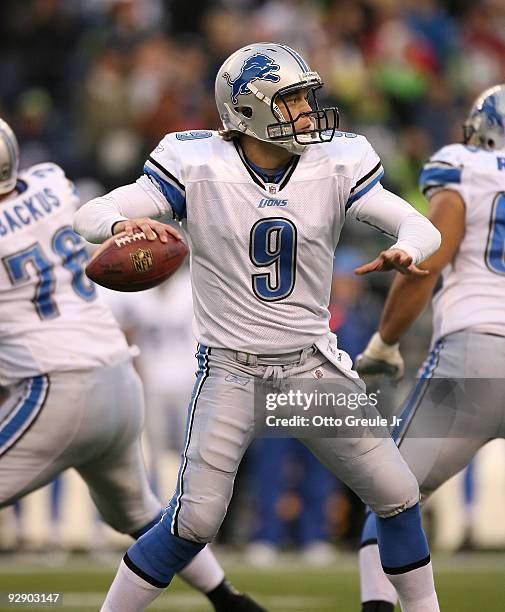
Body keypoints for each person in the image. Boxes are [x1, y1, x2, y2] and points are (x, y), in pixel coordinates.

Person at [74, 42, 442, 612]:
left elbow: (421, 226)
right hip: (232, 370)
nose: (306, 111)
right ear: (248, 110)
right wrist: (125, 223)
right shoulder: (195, 162)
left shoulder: (335, 160)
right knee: (193, 521)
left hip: (309, 366)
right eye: (291, 100)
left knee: (396, 494)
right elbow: (90, 214)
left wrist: (407, 248)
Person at [0, 117, 266, 612]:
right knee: (142, 512)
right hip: (118, 382)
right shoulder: (51, 183)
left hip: (56, 389)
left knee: (142, 509)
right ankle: (229, 600)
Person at [356, 84, 505, 611]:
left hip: (478, 355)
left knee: (388, 496)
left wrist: (384, 342)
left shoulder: (466, 167)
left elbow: (426, 263)